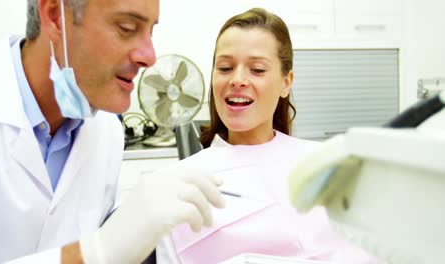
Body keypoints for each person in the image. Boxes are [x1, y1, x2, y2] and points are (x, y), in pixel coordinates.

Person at [0, 0, 225, 263]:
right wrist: (96, 251)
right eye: (127, 27)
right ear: (54, 16)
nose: (150, 57)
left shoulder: (106, 129)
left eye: (150, 31)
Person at [156, 8, 380, 264]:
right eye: (225, 67)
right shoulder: (180, 183)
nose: (237, 79)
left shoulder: (323, 163)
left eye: (257, 70)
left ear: (286, 83)